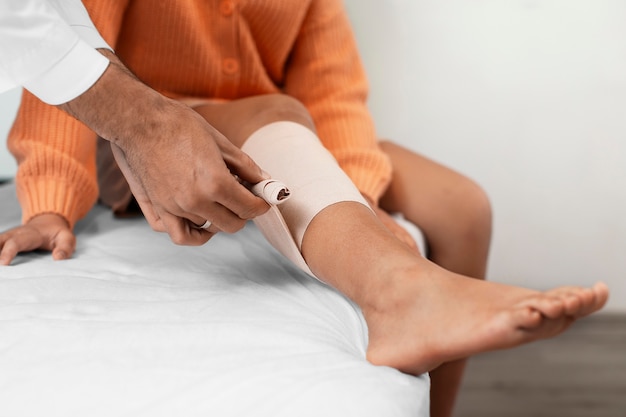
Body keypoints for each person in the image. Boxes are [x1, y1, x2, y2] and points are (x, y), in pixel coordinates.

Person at [0, 1, 609, 417]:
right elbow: (68, 74)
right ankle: (401, 295)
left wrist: (358, 199)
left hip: (276, 132)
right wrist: (50, 199)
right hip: (154, 138)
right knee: (276, 113)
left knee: (462, 205)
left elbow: (335, 96)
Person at [0, 0, 270, 246]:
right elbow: (57, 69)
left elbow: (314, 93)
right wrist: (49, 204)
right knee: (276, 111)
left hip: (200, 138)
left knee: (278, 112)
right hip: (141, 152)